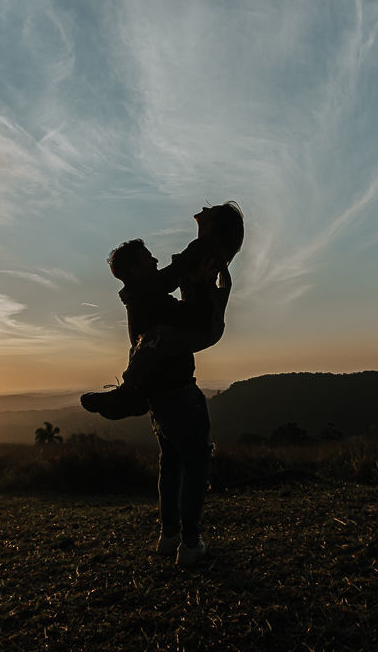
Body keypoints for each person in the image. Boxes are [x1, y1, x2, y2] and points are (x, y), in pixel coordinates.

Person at [82, 202, 244, 567]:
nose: (156, 260)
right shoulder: (151, 298)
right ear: (136, 270)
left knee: (170, 463)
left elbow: (173, 284)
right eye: (148, 259)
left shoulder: (139, 299)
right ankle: (190, 544)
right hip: (179, 394)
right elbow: (190, 313)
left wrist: (194, 275)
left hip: (158, 398)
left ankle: (169, 535)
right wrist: (198, 283)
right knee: (196, 463)